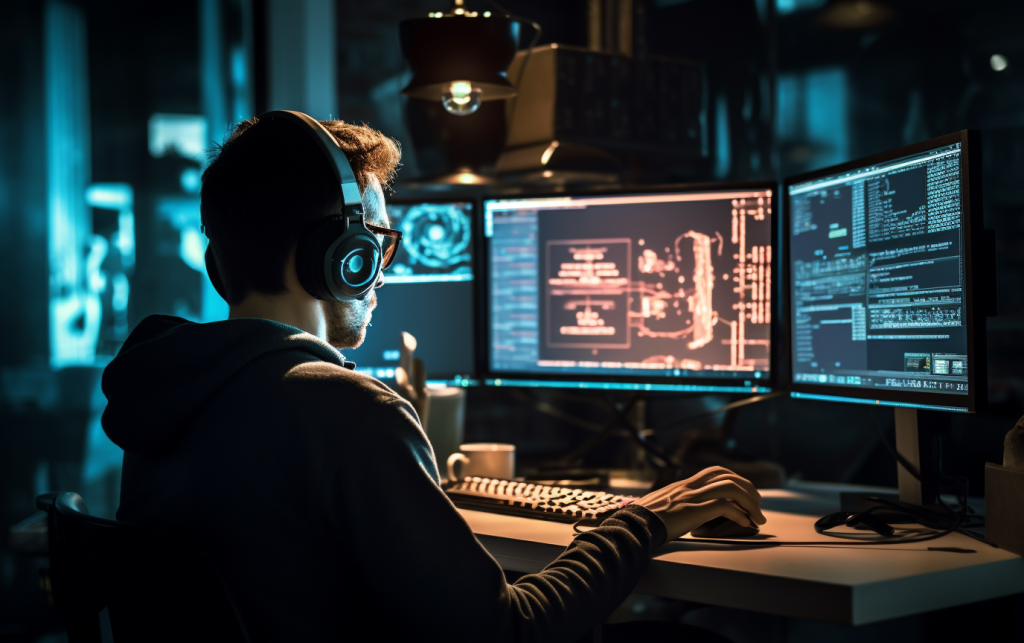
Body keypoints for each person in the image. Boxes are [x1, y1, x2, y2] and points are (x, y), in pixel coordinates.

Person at [101, 114, 766, 642]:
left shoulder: (164, 398)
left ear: (219, 266)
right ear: (347, 258)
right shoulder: (343, 408)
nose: (383, 269)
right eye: (380, 244)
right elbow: (508, 628)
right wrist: (645, 518)